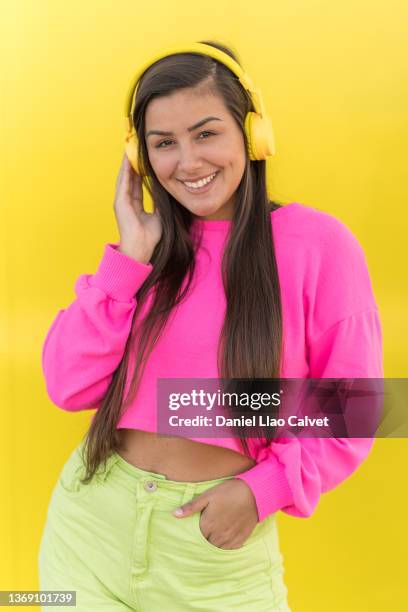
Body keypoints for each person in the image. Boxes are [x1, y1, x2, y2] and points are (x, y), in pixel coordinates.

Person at [38, 40, 383, 611]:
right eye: (163, 144)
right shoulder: (143, 254)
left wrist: (262, 488)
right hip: (90, 525)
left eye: (206, 134)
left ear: (251, 133)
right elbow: (66, 386)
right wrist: (128, 257)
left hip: (209, 544)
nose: (188, 162)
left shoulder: (317, 245)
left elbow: (356, 405)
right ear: (140, 157)